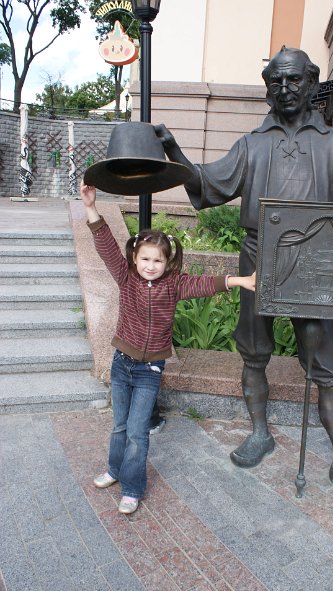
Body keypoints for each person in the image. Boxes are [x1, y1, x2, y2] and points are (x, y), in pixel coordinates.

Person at [155, 46, 333, 506]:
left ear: (311, 84)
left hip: (314, 263)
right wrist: (174, 153)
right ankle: (259, 433)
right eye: (276, 81)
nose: (285, 88)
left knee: (325, 365)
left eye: (294, 80)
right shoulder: (252, 144)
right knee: (254, 352)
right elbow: (207, 182)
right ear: (268, 89)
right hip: (258, 258)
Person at [80, 181, 256, 514]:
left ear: (167, 262)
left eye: (157, 261)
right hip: (122, 363)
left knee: (137, 430)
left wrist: (240, 280)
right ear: (135, 258)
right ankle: (115, 469)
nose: (151, 265)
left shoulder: (174, 285)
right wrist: (91, 207)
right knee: (119, 425)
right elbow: (105, 245)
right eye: (145, 258)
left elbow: (205, 284)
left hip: (149, 369)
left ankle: (132, 488)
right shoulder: (126, 278)